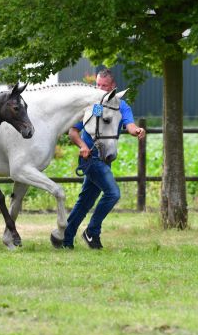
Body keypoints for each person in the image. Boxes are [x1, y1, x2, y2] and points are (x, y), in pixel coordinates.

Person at [60, 69, 145, 249]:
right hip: (90, 158)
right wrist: (83, 146)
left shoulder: (121, 106)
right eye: (97, 85)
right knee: (113, 193)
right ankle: (92, 232)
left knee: (85, 201)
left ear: (113, 87)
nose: (99, 89)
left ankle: (64, 239)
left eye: (104, 86)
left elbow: (129, 124)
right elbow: (73, 132)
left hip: (105, 160)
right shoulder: (94, 106)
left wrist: (136, 130)